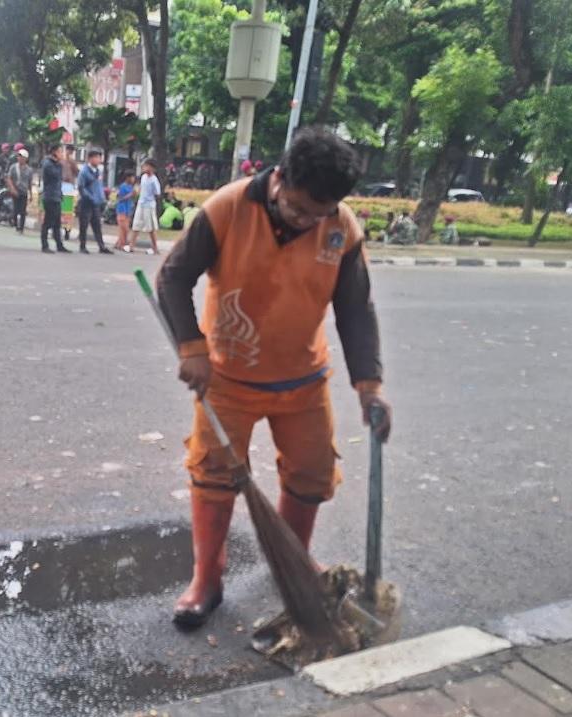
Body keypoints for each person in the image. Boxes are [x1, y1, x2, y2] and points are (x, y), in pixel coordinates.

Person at [155, 126, 391, 628]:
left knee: (312, 474)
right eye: (299, 208)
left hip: (303, 381)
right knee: (214, 476)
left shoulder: (341, 228)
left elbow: (355, 310)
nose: (308, 221)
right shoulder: (228, 208)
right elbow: (173, 278)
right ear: (280, 178)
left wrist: (370, 387)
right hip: (227, 380)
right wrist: (192, 348)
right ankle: (207, 579)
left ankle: (291, 560)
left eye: (319, 213)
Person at [76, 149, 111, 254]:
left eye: (99, 158)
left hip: (96, 203)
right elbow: (81, 187)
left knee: (97, 225)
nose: (98, 160)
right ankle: (82, 246)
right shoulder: (84, 171)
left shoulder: (98, 171)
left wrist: (102, 198)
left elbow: (99, 187)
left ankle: (101, 246)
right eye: (96, 158)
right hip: (86, 202)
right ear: (90, 159)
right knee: (84, 225)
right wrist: (90, 198)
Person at [40, 145, 70, 254]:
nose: (62, 154)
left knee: (57, 223)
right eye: (60, 151)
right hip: (49, 196)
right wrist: (60, 163)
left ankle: (59, 245)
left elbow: (60, 180)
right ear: (54, 152)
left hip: (56, 196)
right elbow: (55, 175)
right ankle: (44, 245)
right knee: (48, 222)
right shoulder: (48, 164)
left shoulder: (58, 164)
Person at [128, 159, 163, 255]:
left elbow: (157, 193)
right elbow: (140, 188)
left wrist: (150, 197)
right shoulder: (143, 177)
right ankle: (131, 246)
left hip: (149, 205)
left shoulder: (154, 180)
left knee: (150, 228)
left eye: (147, 166)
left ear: (152, 168)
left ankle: (155, 248)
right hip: (141, 203)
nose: (144, 168)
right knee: (136, 225)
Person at [7, 148, 34, 234]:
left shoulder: (29, 170)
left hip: (24, 192)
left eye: (22, 157)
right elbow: (9, 178)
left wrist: (31, 194)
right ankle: (16, 224)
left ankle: (21, 228)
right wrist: (12, 189)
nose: (20, 158)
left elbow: (30, 183)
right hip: (15, 191)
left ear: (26, 158)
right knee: (15, 210)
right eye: (19, 156)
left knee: (23, 211)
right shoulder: (13, 167)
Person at [114, 172, 137, 252]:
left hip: (128, 209)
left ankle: (118, 243)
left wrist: (134, 194)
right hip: (122, 209)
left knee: (125, 228)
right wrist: (130, 195)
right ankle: (122, 244)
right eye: (132, 177)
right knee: (124, 228)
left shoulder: (131, 187)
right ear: (128, 178)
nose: (133, 179)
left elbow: (132, 198)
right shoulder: (122, 186)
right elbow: (120, 198)